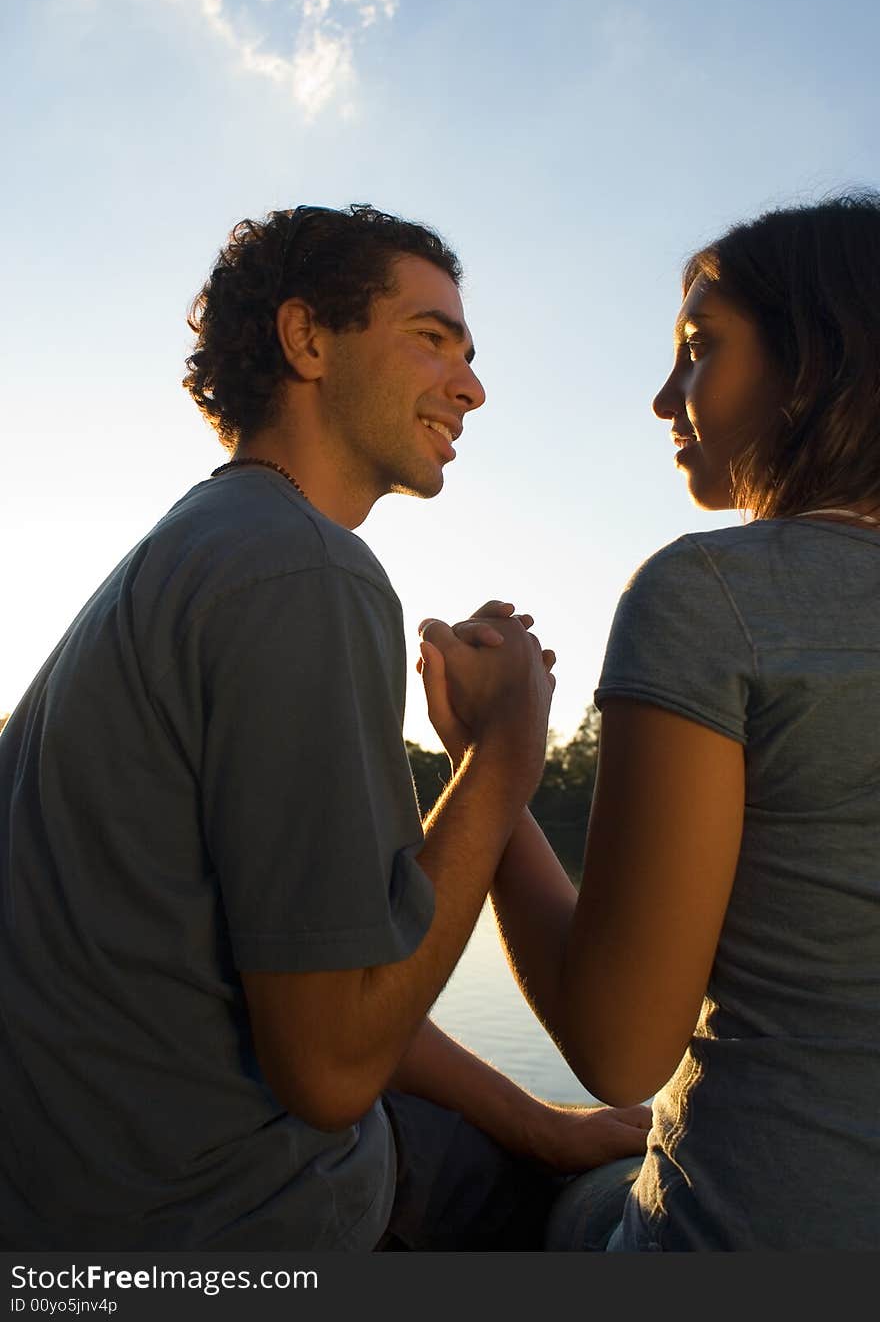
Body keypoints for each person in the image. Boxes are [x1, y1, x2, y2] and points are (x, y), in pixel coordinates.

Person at [0, 203, 648, 1251]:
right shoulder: (306, 570)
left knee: (551, 1146)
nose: (472, 386)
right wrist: (504, 757)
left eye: (469, 353)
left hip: (94, 1199)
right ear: (307, 339)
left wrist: (542, 1119)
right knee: (643, 1216)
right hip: (232, 1224)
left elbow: (326, 999)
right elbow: (334, 1063)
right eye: (431, 338)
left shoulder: (193, 550)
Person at [420, 192, 880, 1250]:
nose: (663, 395)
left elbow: (618, 1045)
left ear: (818, 356)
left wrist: (491, 756)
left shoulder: (710, 594)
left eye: (696, 348)